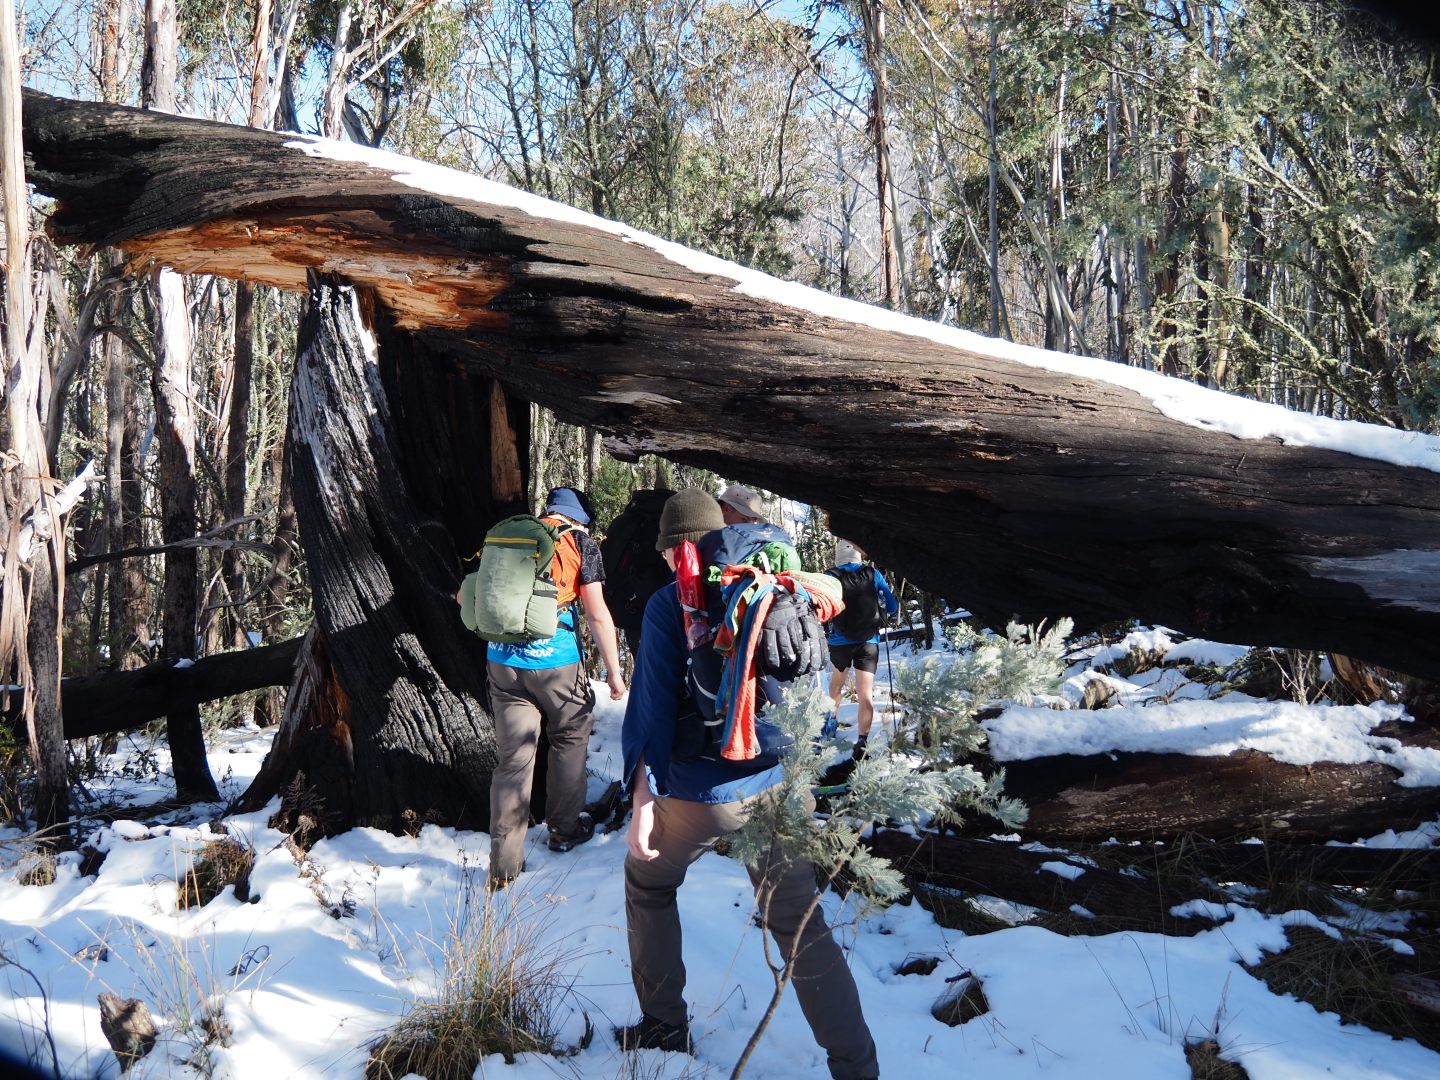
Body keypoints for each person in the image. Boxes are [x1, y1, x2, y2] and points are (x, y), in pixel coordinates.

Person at [616, 489, 880, 1079]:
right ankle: (857, 1067)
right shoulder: (786, 591)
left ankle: (663, 1024)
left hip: (701, 796)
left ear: (677, 548)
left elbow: (651, 713)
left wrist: (641, 799)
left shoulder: (670, 603)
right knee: (800, 925)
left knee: (648, 884)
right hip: (782, 785)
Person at [483, 486, 626, 886]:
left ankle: (504, 865)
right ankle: (563, 828)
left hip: (502, 662)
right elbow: (597, 614)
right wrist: (614, 672)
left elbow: (468, 593)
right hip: (556, 662)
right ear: (581, 517)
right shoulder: (580, 542)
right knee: (568, 737)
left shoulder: (510, 536)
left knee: (513, 761)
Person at [825, 540, 899, 760]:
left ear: (838, 557)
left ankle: (830, 728)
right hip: (868, 642)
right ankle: (862, 741)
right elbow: (892, 604)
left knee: (836, 686)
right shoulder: (872, 574)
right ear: (858, 556)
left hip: (840, 643)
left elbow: (824, 607)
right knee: (865, 693)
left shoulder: (830, 576)